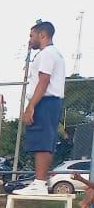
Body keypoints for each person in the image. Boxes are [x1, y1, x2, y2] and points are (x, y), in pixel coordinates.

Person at [14, 21, 66, 196]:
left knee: (42, 142)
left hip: (45, 101)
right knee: (46, 142)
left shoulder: (47, 54)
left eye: (31, 36)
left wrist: (31, 106)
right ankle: (41, 180)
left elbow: (44, 81)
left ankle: (40, 182)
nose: (30, 40)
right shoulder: (54, 54)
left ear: (42, 35)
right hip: (51, 102)